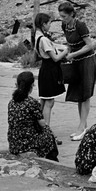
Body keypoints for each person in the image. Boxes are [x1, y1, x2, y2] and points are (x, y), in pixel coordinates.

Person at [58, 1, 96, 142]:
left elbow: (90, 45)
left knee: (85, 94)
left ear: (71, 14)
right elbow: (69, 45)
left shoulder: (80, 25)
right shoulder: (64, 25)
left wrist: (73, 55)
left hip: (87, 61)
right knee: (78, 94)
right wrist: (65, 53)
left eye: (64, 16)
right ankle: (83, 126)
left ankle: (81, 127)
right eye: (61, 16)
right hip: (76, 61)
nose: (62, 19)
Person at [33, 12, 69, 145]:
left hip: (45, 70)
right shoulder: (43, 39)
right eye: (49, 23)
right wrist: (66, 50)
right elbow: (55, 58)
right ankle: (47, 132)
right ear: (43, 24)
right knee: (49, 102)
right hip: (50, 71)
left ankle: (40, 129)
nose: (49, 26)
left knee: (44, 101)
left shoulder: (37, 37)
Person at [7, 70, 59, 161]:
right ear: (31, 86)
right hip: (27, 144)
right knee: (48, 132)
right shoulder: (32, 102)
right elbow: (42, 123)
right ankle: (52, 159)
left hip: (14, 142)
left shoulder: (11, 103)